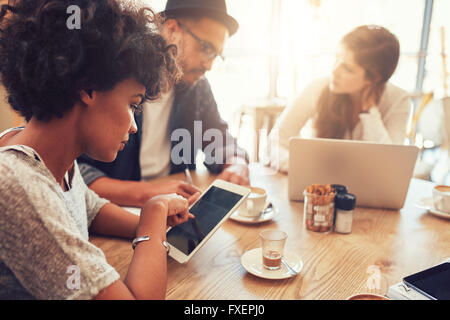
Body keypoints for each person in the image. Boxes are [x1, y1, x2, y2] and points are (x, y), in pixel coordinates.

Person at [0, 0, 200, 300]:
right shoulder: (17, 183)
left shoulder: (48, 154)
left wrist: (155, 222)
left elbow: (89, 208)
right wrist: (154, 217)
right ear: (89, 88)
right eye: (133, 104)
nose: (133, 126)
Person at [78, 0, 250, 208]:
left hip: (173, 209)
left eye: (215, 56)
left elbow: (218, 136)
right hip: (112, 214)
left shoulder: (196, 87)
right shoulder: (117, 77)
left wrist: (237, 161)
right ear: (171, 30)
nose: (209, 65)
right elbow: (75, 173)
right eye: (206, 48)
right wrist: (148, 193)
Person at [268, 25, 412, 173]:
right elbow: (276, 140)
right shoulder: (319, 87)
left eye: (347, 68)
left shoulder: (398, 101)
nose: (334, 71)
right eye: (336, 58)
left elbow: (388, 168)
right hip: (318, 190)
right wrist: (305, 170)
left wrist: (370, 112)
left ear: (374, 78)